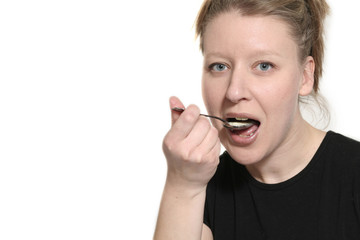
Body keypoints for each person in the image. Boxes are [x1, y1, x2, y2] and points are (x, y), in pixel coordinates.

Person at [154, 0, 360, 239]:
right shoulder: (200, 189)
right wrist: (183, 185)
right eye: (219, 66)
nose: (234, 91)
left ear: (305, 77)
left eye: (264, 66)